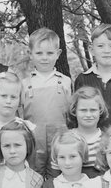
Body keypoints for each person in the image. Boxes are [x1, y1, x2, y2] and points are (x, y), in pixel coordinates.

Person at [20, 27, 72, 174]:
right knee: (34, 176)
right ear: (30, 54)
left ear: (58, 54)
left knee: (58, 176)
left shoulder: (65, 81)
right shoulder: (24, 84)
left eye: (49, 53)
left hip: (60, 140)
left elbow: (72, 114)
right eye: (39, 53)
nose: (44, 58)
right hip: (34, 142)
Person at [66, 86, 108, 179]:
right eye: (83, 110)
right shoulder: (65, 139)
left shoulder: (107, 141)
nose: (88, 115)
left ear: (100, 111)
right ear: (74, 111)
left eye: (93, 110)